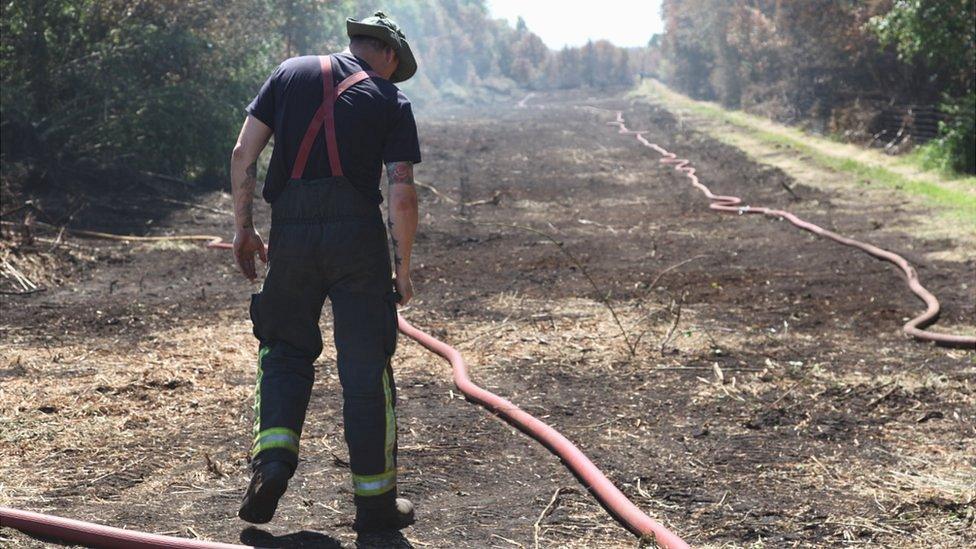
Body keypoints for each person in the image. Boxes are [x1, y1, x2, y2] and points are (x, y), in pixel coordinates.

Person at [228, 11, 421, 536]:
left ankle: (271, 467)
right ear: (388, 55)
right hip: (357, 243)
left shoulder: (288, 73)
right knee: (365, 369)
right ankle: (376, 506)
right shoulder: (390, 100)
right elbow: (401, 193)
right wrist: (402, 269)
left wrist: (243, 230)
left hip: (290, 236)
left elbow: (244, 151)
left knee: (284, 352)